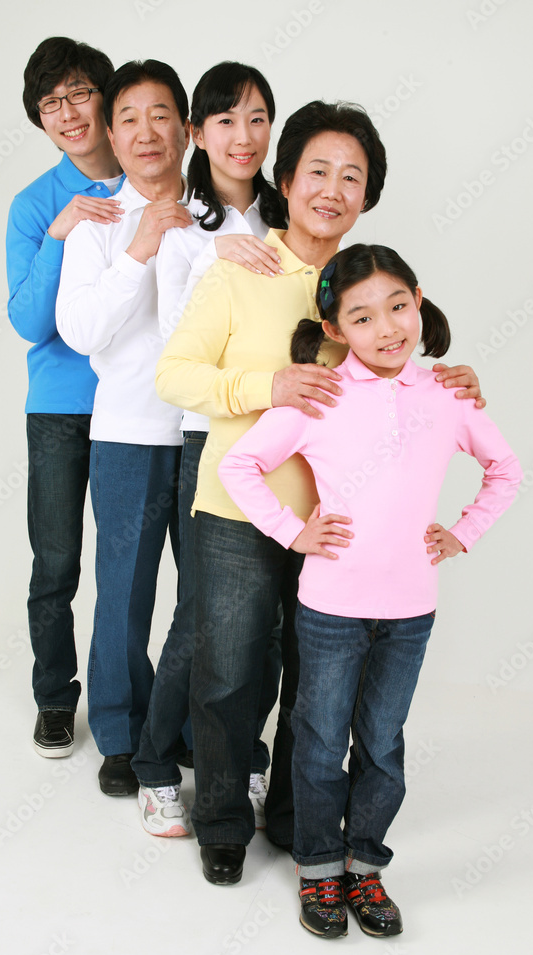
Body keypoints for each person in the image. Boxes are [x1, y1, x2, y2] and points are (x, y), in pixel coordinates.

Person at [155, 100, 485, 886]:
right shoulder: (239, 270)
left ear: (367, 194)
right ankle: (222, 822)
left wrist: (454, 382)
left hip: (339, 529)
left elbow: (399, 371)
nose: (332, 190)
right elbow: (173, 375)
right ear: (285, 179)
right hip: (239, 512)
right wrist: (264, 386)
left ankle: (295, 819)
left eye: (351, 177)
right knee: (230, 673)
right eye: (317, 172)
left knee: (314, 687)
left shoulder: (363, 284)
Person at [218, 243, 521, 937]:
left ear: (418, 301)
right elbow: (241, 465)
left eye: (397, 307)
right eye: (362, 317)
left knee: (382, 745)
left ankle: (365, 864)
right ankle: (318, 867)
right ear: (334, 330)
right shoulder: (322, 395)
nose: (386, 329)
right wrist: (293, 532)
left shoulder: (447, 394)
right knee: (320, 741)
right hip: (330, 608)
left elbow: (504, 469)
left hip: (410, 612)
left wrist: (463, 532)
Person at [131, 61, 287, 836]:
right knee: (202, 615)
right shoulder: (183, 227)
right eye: (224, 120)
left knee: (268, 621)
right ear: (197, 132)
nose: (242, 136)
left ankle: (243, 759)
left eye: (256, 118)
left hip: (288, 445)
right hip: (213, 441)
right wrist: (216, 265)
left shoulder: (288, 215)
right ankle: (155, 766)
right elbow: (175, 351)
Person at [55, 59, 192, 795]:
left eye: (160, 114)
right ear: (111, 134)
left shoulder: (219, 216)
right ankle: (118, 731)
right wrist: (140, 246)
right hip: (129, 434)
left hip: (209, 435)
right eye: (129, 118)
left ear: (186, 128)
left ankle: (191, 726)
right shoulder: (98, 223)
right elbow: (80, 332)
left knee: (207, 600)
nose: (146, 132)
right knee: (124, 595)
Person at [6, 37, 123, 759]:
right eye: (51, 103)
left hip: (134, 405)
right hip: (56, 408)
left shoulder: (153, 180)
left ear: (105, 98)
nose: (69, 112)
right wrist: (59, 232)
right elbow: (28, 321)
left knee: (126, 570)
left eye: (79, 92)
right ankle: (55, 698)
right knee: (55, 564)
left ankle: (125, 704)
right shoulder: (33, 204)